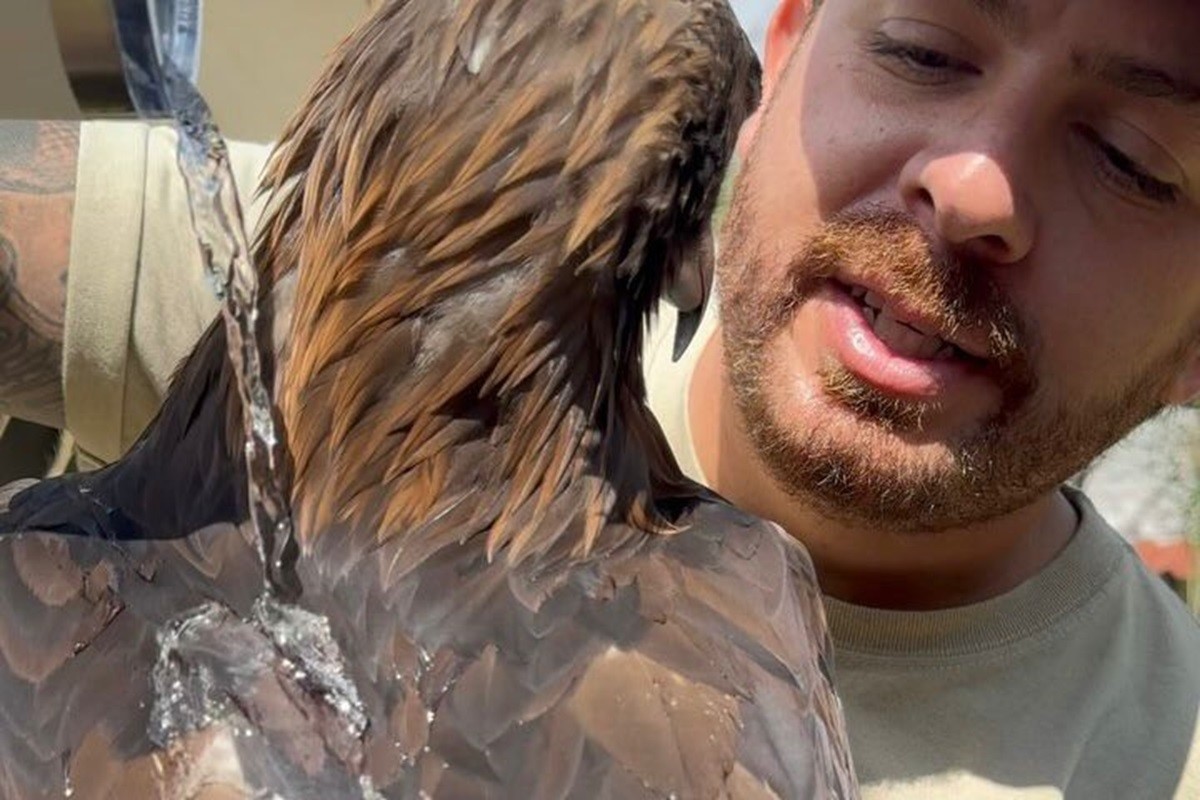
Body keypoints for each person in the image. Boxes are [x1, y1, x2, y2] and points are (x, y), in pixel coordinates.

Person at [0, 0, 1197, 796]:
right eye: (924, 48)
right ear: (782, 56)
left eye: (1134, 159)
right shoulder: (363, 281)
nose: (973, 181)